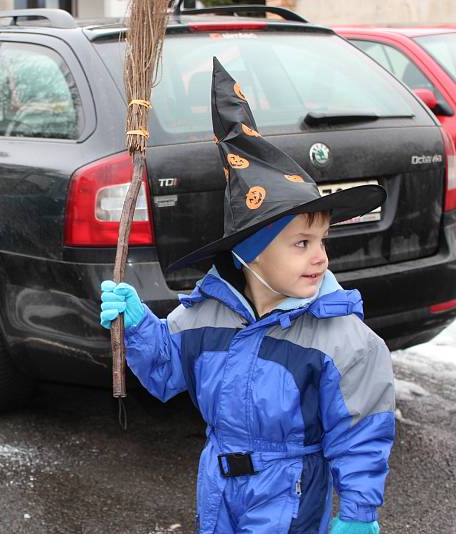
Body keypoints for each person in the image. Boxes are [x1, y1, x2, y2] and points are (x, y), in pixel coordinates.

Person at [99, 58, 394, 534]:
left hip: (290, 496)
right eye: (302, 244)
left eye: (321, 242)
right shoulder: (205, 313)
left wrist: (359, 514)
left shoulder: (343, 340)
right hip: (218, 489)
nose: (320, 257)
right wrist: (135, 326)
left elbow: (362, 435)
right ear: (250, 255)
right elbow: (165, 372)